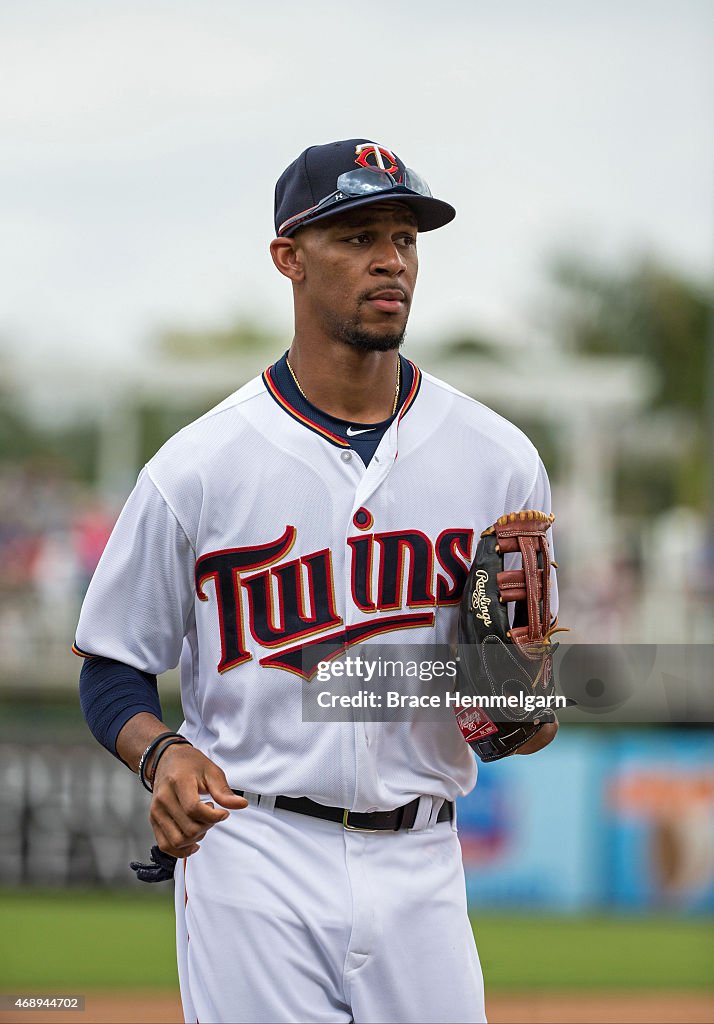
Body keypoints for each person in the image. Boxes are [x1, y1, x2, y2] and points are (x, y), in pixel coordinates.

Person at [75, 138, 558, 1024]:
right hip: (254, 852)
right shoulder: (197, 468)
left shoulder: (499, 462)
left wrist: (522, 711)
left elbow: (518, 711)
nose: (391, 259)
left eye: (406, 236)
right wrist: (162, 752)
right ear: (287, 259)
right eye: (358, 234)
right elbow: (111, 668)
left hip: (424, 859)